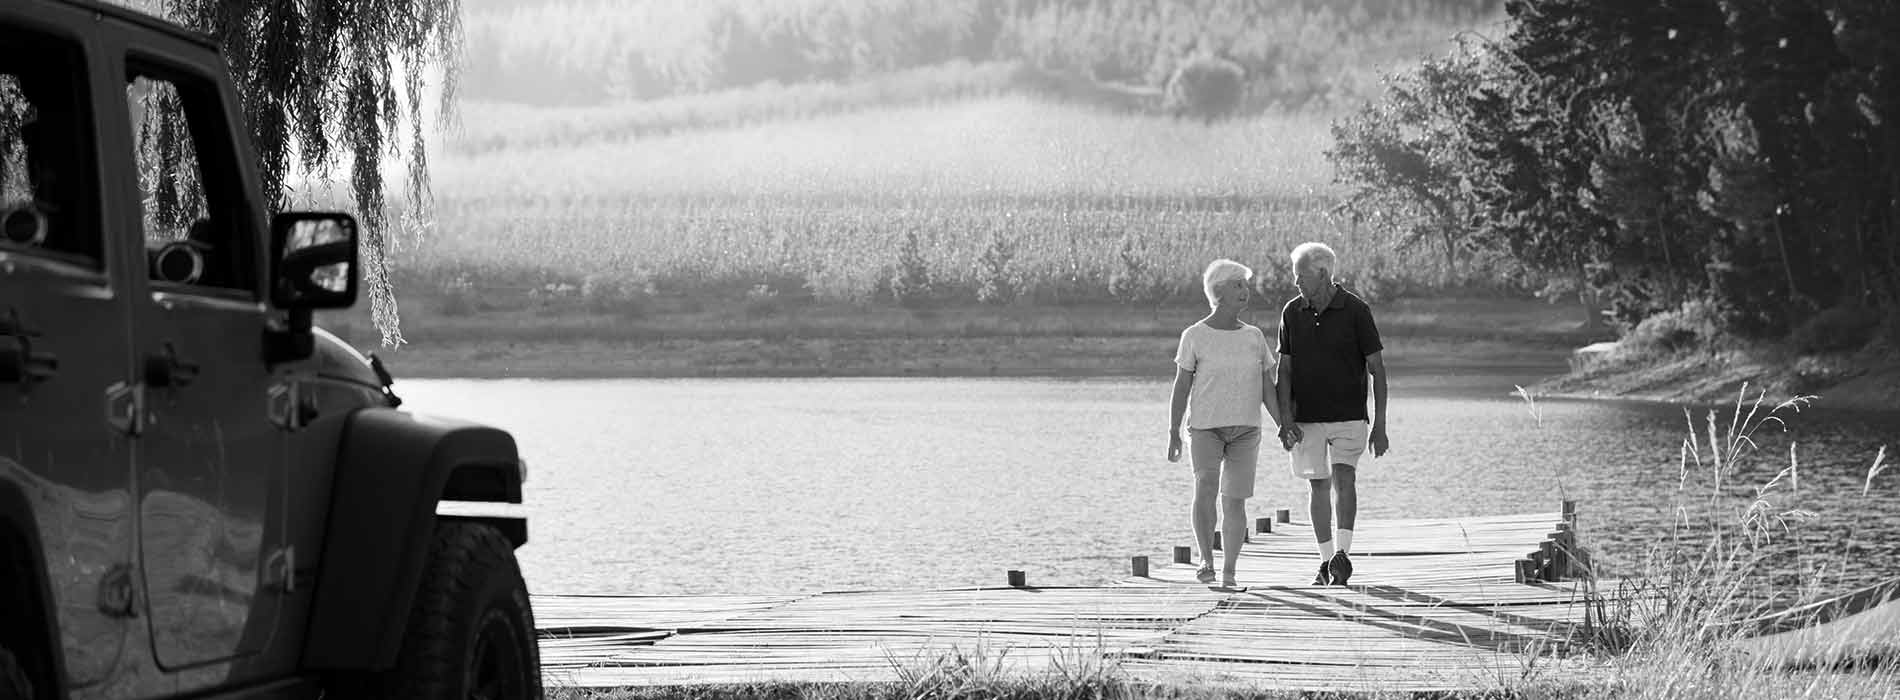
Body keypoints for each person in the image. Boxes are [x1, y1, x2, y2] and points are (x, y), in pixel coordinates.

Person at [1167, 259, 1291, 590]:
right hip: (1206, 428)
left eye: (1245, 286)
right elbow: (1181, 386)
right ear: (1219, 291)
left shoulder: (1253, 337)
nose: (1245, 291)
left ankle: (1230, 572)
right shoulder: (1194, 335)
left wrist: (1283, 425)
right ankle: (1207, 559)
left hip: (1245, 430)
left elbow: (1268, 387)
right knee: (1205, 485)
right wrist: (1173, 432)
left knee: (1234, 500)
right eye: (1238, 285)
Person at [1274, 242, 1388, 586]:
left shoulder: (1356, 310)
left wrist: (1379, 426)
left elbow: (1377, 369)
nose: (1296, 284)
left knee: (1345, 479)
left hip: (1349, 415)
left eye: (1301, 277)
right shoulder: (1291, 312)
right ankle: (1325, 562)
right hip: (1306, 417)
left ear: (1322, 274)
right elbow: (1285, 371)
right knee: (1318, 486)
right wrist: (1286, 420)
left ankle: (1343, 554)